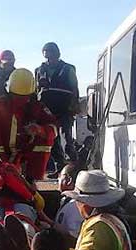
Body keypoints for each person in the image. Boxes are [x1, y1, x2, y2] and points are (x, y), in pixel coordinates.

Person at [0, 68, 58, 180]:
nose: (21, 100)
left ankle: (34, 179)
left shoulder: (37, 107)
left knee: (45, 141)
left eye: (25, 97)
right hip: (4, 154)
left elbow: (53, 129)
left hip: (26, 154)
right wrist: (2, 165)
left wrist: (40, 130)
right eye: (16, 96)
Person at [35, 42, 79, 177]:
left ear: (57, 54)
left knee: (68, 139)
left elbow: (74, 89)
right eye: (46, 56)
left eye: (51, 55)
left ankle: (74, 168)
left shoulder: (68, 69)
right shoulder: (39, 70)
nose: (49, 59)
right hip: (47, 110)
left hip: (65, 109)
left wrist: (74, 106)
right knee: (52, 140)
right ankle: (60, 167)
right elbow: (36, 90)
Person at [54, 164, 84, 239]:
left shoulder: (75, 207)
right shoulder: (67, 200)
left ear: (68, 180)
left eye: (60, 176)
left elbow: (73, 237)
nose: (58, 179)